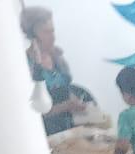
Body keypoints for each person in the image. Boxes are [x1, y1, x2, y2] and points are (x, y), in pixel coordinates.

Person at [23, 6, 88, 135]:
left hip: (69, 129)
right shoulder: (25, 66)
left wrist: (75, 101)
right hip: (46, 134)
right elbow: (33, 113)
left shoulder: (57, 58)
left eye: (53, 31)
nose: (52, 37)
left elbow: (66, 87)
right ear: (33, 34)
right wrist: (66, 106)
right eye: (46, 32)